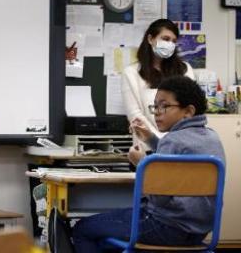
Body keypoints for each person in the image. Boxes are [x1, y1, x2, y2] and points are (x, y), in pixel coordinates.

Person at [72, 76, 225, 252]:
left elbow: (159, 198)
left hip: (166, 227)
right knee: (106, 236)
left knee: (83, 229)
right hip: (199, 231)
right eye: (155, 106)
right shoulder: (212, 138)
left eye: (164, 106)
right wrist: (150, 139)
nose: (157, 112)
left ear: (188, 111)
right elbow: (179, 159)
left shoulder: (172, 140)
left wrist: (143, 164)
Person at [122, 19, 194, 156]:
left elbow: (190, 109)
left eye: (173, 41)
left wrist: (173, 142)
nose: (170, 44)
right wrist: (158, 141)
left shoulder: (185, 70)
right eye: (165, 39)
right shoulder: (131, 73)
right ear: (150, 39)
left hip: (181, 146)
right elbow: (135, 115)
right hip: (147, 148)